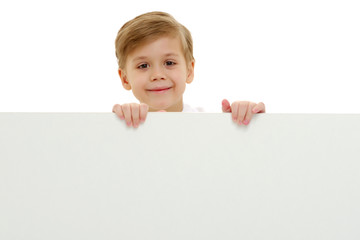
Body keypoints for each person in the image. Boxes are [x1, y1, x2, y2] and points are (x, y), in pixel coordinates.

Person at [112, 11, 265, 128]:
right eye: (143, 66)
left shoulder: (210, 124)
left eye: (169, 63)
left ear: (189, 71)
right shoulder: (118, 125)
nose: (157, 75)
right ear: (125, 79)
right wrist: (115, 125)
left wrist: (249, 121)